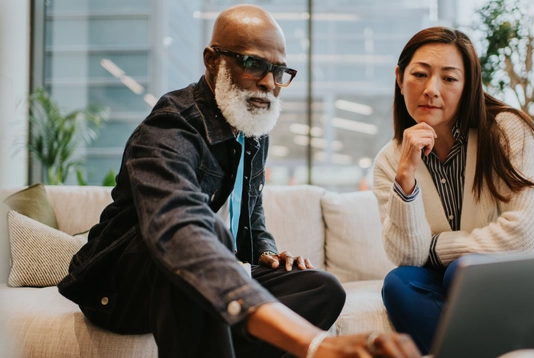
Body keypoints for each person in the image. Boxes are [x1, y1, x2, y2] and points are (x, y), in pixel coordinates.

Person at [57, 5, 420, 358]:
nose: (268, 82)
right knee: (202, 236)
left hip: (205, 273)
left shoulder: (252, 130)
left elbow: (252, 209)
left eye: (279, 71)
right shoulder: (170, 126)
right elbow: (179, 226)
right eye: (253, 64)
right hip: (122, 291)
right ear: (212, 60)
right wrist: (314, 343)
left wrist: (264, 250)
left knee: (322, 289)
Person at [372, 27, 534, 355]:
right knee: (399, 283)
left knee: (463, 272)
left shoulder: (507, 130)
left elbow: (525, 234)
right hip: (455, 276)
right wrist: (406, 176)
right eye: (420, 74)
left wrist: (439, 250)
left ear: (469, 86)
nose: (431, 90)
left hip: (524, 269)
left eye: (449, 79)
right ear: (399, 77)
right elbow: (409, 256)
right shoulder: (389, 160)